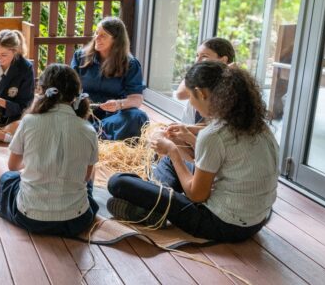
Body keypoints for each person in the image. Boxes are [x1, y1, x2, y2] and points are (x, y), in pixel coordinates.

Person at [106, 61, 279, 242]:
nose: (190, 102)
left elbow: (197, 195)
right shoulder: (256, 124)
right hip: (257, 219)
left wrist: (173, 151)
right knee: (168, 164)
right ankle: (155, 205)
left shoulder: (213, 136)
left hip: (222, 224)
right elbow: (223, 155)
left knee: (117, 182)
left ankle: (153, 207)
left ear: (202, 93)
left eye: (190, 96)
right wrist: (188, 131)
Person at [0, 64, 98, 238]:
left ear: (42, 90)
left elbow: (13, 166)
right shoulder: (88, 129)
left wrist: (35, 164)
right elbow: (86, 178)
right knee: (92, 165)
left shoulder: (29, 121)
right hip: (77, 219)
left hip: (30, 216)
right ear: (76, 95)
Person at [71, 17, 148, 140]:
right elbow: (70, 88)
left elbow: (136, 99)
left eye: (103, 35)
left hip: (113, 116)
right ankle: (99, 134)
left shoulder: (131, 64)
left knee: (138, 117)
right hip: (84, 113)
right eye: (96, 33)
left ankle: (94, 133)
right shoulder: (80, 56)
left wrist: (119, 104)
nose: (97, 38)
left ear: (116, 40)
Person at [175, 37, 236, 125]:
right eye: (197, 55)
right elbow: (180, 95)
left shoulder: (229, 86)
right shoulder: (201, 79)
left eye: (204, 56)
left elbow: (181, 94)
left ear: (223, 60)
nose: (197, 60)